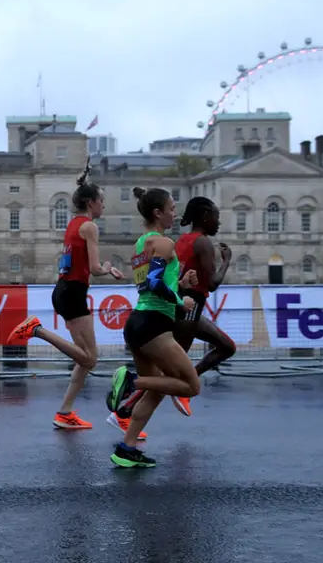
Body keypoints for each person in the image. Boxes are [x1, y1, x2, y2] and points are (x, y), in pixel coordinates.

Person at [8, 158, 131, 435]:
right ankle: (37, 330)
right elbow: (95, 268)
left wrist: (100, 269)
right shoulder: (89, 227)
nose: (104, 206)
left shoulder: (74, 223)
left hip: (65, 290)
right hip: (73, 293)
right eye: (101, 201)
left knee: (84, 359)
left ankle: (64, 413)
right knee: (90, 359)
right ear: (91, 202)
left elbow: (80, 262)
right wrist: (109, 270)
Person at [105, 187, 202, 468]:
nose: (175, 213)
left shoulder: (142, 242)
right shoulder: (163, 242)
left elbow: (146, 283)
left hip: (140, 321)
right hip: (154, 325)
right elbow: (154, 285)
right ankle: (131, 381)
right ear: (158, 213)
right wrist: (180, 300)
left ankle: (127, 448)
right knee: (191, 386)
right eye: (172, 208)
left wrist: (181, 283)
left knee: (157, 390)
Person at [167, 196, 237, 417]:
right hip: (190, 307)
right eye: (217, 218)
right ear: (206, 217)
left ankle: (186, 386)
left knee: (227, 347)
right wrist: (226, 260)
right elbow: (213, 284)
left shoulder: (182, 240)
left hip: (184, 305)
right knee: (170, 372)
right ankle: (126, 408)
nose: (219, 223)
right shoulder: (203, 242)